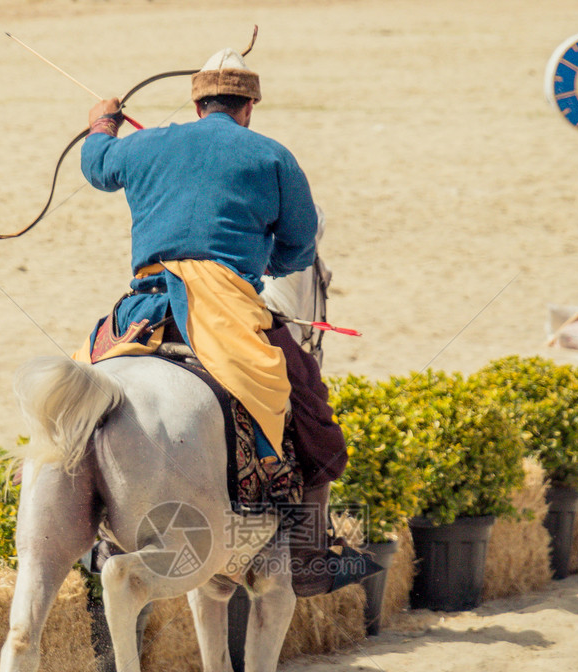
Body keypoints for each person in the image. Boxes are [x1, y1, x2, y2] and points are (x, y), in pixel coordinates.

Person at [78, 46, 378, 595]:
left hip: (144, 305)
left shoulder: (144, 144)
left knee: (80, 384)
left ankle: (65, 498)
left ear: (197, 106)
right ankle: (310, 552)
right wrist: (266, 257)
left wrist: (102, 122)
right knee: (308, 400)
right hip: (228, 308)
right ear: (248, 109)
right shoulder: (272, 156)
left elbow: (97, 166)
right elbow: (298, 249)